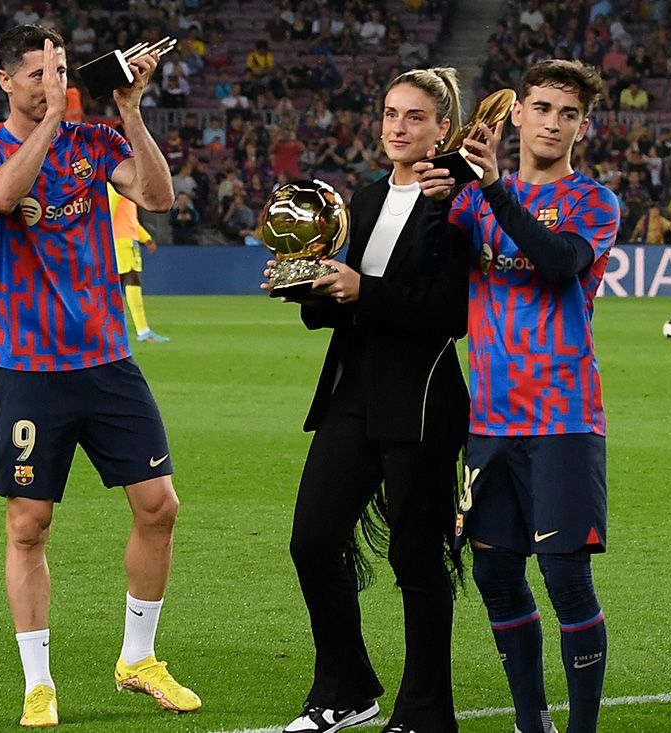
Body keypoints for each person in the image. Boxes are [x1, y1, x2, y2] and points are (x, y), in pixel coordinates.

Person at [0, 24, 198, 728]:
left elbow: (157, 196)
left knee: (160, 506)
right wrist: (56, 118)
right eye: (36, 73)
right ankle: (38, 682)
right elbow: (1, 195)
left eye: (59, 69)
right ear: (6, 81)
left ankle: (138, 657)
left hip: (108, 360)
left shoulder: (95, 142)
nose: (51, 81)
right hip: (31, 369)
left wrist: (128, 112)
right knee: (29, 524)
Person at [417, 58, 620, 733]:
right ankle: (531, 724)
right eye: (542, 108)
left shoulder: (594, 201)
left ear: (582, 128)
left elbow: (559, 262)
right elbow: (428, 271)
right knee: (496, 576)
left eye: (567, 114)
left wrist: (496, 187)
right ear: (519, 114)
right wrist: (433, 197)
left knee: (566, 579)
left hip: (563, 419)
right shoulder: (474, 203)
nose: (552, 123)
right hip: (491, 423)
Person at [267, 67, 471, 733]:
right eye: (390, 113)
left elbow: (451, 312)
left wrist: (361, 291)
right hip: (354, 388)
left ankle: (425, 713)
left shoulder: (458, 200)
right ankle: (346, 686)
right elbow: (348, 301)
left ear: (443, 129)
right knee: (313, 539)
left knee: (417, 556)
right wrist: (308, 284)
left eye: (414, 117)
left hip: (421, 395)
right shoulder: (363, 193)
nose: (397, 127)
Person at [107, 183, 169, 342]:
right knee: (130, 281)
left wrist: (146, 238)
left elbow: (129, 220)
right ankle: (142, 331)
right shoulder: (115, 186)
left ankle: (112, 330)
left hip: (125, 240)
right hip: (121, 242)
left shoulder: (121, 189)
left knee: (118, 285)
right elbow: (107, 213)